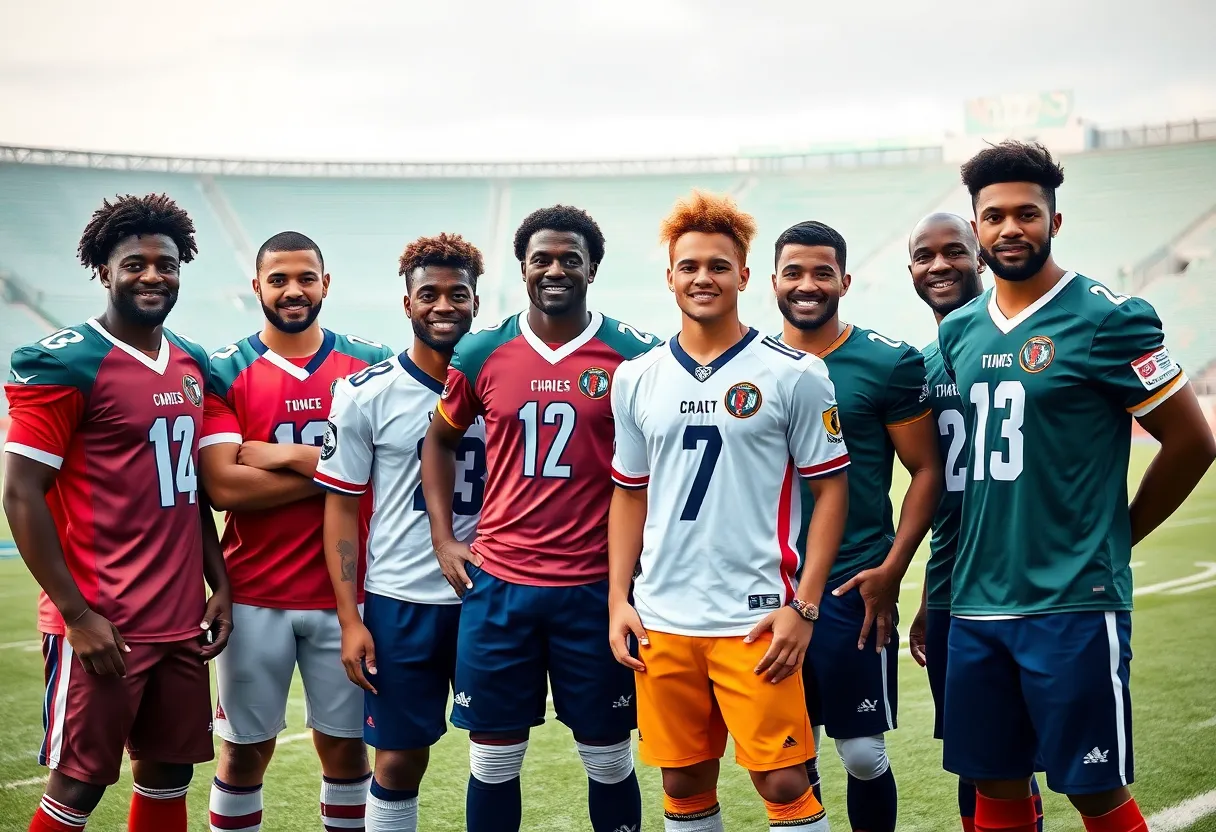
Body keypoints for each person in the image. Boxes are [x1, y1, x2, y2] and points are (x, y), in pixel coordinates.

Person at [938, 140, 1216, 832]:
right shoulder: (960, 331)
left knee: (1095, 793)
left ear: (1054, 222)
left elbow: (1194, 441)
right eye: (994, 216)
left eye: (1026, 214)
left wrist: (1119, 534)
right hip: (977, 603)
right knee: (996, 789)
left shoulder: (1107, 318)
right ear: (975, 228)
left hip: (1071, 603)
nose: (1010, 229)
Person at [607, 191, 850, 832]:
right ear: (670, 278)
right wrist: (618, 600)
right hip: (662, 615)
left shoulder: (795, 374)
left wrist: (804, 607)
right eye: (689, 266)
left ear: (744, 276)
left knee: (783, 778)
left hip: (755, 616)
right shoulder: (637, 377)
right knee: (683, 778)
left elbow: (831, 493)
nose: (703, 278)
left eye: (718, 265)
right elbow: (629, 492)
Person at [420, 205, 656, 832]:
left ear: (592, 268)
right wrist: (445, 539)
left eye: (570, 259)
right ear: (523, 268)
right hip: (499, 585)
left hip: (595, 589)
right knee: (493, 760)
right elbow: (439, 441)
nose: (555, 270)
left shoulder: (635, 355)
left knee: (607, 757)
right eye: (542, 260)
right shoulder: (481, 350)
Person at [2, 193, 232, 832]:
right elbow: (21, 493)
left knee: (168, 776)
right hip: (106, 619)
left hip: (180, 618)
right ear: (104, 271)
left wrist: (219, 580)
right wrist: (78, 615)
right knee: (76, 785)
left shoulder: (190, 362)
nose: (153, 276)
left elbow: (185, 490)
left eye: (167, 263)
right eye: (135, 263)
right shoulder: (64, 359)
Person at [199, 232, 392, 832]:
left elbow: (389, 463)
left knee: (345, 749)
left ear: (325, 284)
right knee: (244, 752)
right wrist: (341, 468)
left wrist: (275, 456)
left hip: (349, 597)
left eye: (305, 277)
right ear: (256, 286)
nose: (292, 290)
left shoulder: (370, 364)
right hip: (254, 593)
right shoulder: (224, 368)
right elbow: (225, 488)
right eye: (278, 279)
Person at [774, 220, 944, 832]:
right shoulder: (753, 363)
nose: (808, 284)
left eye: (823, 272)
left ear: (845, 280)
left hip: (852, 582)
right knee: (789, 754)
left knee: (862, 752)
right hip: (769, 584)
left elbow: (926, 470)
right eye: (794, 272)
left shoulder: (886, 361)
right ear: (772, 281)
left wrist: (892, 569)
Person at [315, 233, 486, 832]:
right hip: (399, 601)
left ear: (476, 303)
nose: (444, 306)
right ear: (407, 303)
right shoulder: (367, 392)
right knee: (398, 759)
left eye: (457, 294)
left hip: (487, 600)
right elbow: (340, 508)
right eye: (429, 294)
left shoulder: (500, 388)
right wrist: (351, 617)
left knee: (496, 751)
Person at [904, 213, 1045, 832]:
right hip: (952, 587)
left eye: (954, 252)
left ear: (981, 258)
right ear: (908, 269)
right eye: (925, 256)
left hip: (1028, 582)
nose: (939, 266)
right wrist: (928, 598)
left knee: (1033, 760)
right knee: (978, 761)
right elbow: (932, 488)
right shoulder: (920, 366)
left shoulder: (1023, 344)